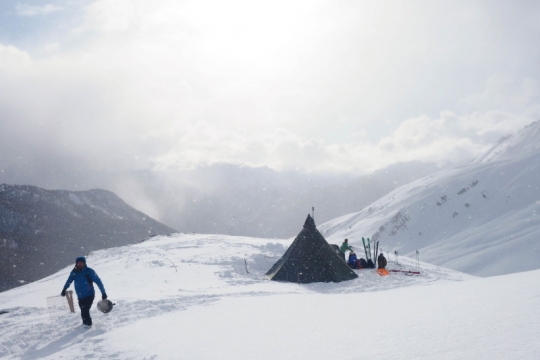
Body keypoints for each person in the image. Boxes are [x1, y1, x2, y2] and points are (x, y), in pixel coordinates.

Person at [61, 256, 107, 327]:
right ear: (76, 264)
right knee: (83, 312)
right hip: (80, 296)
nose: (79, 264)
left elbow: (98, 282)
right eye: (78, 263)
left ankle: (88, 325)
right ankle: (85, 325)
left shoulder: (89, 271)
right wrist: (64, 289)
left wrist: (103, 293)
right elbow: (69, 281)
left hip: (89, 295)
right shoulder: (74, 272)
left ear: (84, 263)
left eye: (81, 262)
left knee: (85, 310)